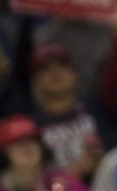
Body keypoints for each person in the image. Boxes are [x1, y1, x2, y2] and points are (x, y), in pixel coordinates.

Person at [29, 42, 109, 181]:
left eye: (62, 66)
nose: (55, 72)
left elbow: (115, 155)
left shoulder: (96, 109)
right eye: (46, 69)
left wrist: (102, 159)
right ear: (37, 82)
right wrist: (74, 172)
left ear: (74, 74)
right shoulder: (32, 127)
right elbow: (37, 186)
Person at [0, 114, 90, 191]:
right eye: (18, 143)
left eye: (31, 141)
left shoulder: (63, 182)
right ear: (4, 153)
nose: (26, 147)